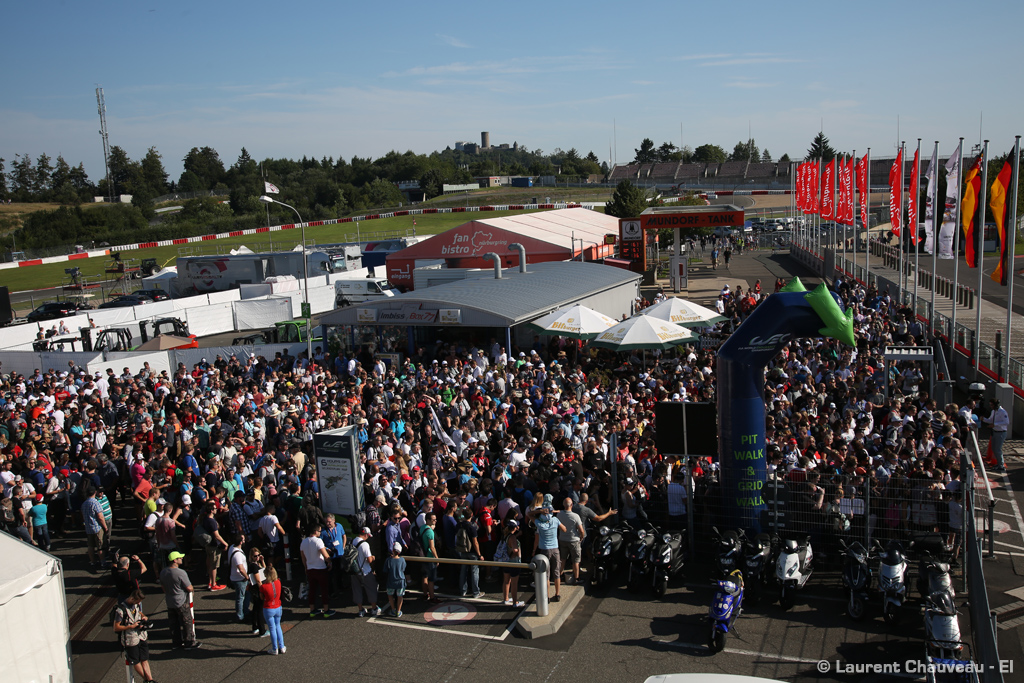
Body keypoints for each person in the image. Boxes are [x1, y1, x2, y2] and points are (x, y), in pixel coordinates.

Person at [159, 550, 201, 649]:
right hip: (181, 601)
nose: (181, 558)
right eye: (179, 558)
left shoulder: (163, 572)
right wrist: (192, 591)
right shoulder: (180, 573)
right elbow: (189, 587)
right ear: (174, 560)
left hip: (170, 601)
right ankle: (189, 642)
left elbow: (163, 587)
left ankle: (176, 643)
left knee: (173, 623)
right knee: (187, 621)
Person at [112, 589, 154, 683]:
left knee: (144, 658)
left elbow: (139, 612)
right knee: (135, 661)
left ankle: (150, 680)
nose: (139, 603)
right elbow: (116, 627)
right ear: (132, 598)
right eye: (138, 601)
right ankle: (146, 680)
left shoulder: (136, 605)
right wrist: (131, 626)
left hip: (140, 635)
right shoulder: (121, 610)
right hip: (130, 638)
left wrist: (143, 617)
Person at [532, 500, 566, 602]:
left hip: (544, 550)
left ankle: (546, 596)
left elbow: (529, 514)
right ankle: (557, 594)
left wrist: (539, 511)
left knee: (546, 575)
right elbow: (564, 529)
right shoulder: (555, 520)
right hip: (555, 549)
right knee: (556, 572)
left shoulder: (539, 523)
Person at [300, 523, 335, 618]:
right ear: (315, 532)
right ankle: (326, 610)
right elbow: (325, 555)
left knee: (312, 590)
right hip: (320, 568)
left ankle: (312, 609)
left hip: (310, 568)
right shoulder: (318, 541)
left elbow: (303, 557)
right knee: (324, 590)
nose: (320, 533)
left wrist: (306, 567)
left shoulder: (304, 542)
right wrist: (330, 562)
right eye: (319, 531)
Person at [198, 503, 229, 590]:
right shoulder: (211, 521)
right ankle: (213, 584)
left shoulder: (205, 519)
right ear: (211, 511)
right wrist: (225, 543)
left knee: (210, 563)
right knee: (214, 565)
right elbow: (217, 535)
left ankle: (210, 582)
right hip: (214, 546)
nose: (216, 510)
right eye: (215, 508)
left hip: (208, 544)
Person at [351, 527, 381, 617]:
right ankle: (374, 608)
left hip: (354, 571)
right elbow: (369, 560)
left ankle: (360, 610)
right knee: (371, 589)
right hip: (365, 571)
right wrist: (373, 557)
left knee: (357, 590)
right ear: (366, 535)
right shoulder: (365, 545)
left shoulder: (353, 541)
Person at [455, 509, 484, 599]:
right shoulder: (472, 527)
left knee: (463, 571)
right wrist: (479, 555)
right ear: (471, 515)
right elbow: (475, 543)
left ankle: (463, 590)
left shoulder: (459, 525)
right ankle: (476, 592)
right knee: (474, 572)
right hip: (472, 552)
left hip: (462, 550)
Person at [555, 497, 585, 585]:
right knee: (576, 560)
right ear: (571, 505)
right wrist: (581, 537)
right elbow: (581, 530)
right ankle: (576, 578)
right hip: (574, 540)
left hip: (562, 539)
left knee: (562, 558)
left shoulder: (559, 515)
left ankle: (559, 576)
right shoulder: (575, 516)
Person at [81, 486, 109, 571]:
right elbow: (100, 517)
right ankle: (103, 563)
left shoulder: (84, 504)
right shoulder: (95, 503)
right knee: (100, 546)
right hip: (97, 527)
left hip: (88, 528)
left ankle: (92, 562)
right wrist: (105, 527)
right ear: (95, 492)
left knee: (90, 546)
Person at [260, 566, 286, 655]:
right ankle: (282, 646)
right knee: (278, 626)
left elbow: (262, 597)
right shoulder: (278, 582)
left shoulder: (263, 587)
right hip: (278, 607)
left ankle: (275, 648)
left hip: (268, 608)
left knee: (272, 628)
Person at [500, 519, 525, 608]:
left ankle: (506, 598)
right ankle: (515, 602)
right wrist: (517, 552)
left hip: (505, 561)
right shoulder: (513, 537)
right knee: (514, 583)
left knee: (506, 581)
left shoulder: (505, 535)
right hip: (514, 562)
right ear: (514, 527)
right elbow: (515, 550)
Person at [982, 398, 1009, 472]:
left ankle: (1001, 465)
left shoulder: (1002, 412)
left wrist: (995, 425)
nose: (990, 406)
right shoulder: (993, 411)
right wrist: (984, 419)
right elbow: (991, 420)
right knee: (994, 449)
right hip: (995, 432)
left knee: (997, 449)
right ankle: (999, 463)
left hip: (1001, 432)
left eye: (991, 405)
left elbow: (1006, 422)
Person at [247, 547, 269, 637]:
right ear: (251, 557)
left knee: (256, 608)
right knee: (259, 609)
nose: (257, 557)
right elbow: (258, 580)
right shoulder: (253, 566)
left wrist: (262, 561)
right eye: (255, 556)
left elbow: (265, 570)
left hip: (256, 589)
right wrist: (262, 590)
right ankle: (262, 630)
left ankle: (255, 627)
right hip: (257, 590)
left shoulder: (257, 564)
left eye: (258, 555)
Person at [227, 535, 249, 623]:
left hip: (236, 577)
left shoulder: (232, 547)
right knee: (240, 598)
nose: (244, 541)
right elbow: (241, 569)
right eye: (243, 540)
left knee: (244, 595)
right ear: (240, 542)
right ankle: (240, 616)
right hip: (240, 579)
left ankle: (244, 611)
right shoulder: (238, 555)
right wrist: (247, 577)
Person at [419, 512, 440, 603]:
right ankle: (432, 597)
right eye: (433, 520)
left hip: (423, 556)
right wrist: (437, 558)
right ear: (428, 520)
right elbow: (432, 547)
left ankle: (425, 594)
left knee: (424, 576)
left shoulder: (422, 528)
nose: (435, 521)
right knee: (431, 579)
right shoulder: (430, 532)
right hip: (430, 557)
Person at [384, 542, 407, 618]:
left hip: (391, 580)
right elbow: (403, 569)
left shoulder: (388, 560)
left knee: (390, 595)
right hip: (400, 581)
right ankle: (398, 611)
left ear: (393, 550)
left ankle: (393, 609)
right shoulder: (402, 560)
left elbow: (385, 570)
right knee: (400, 596)